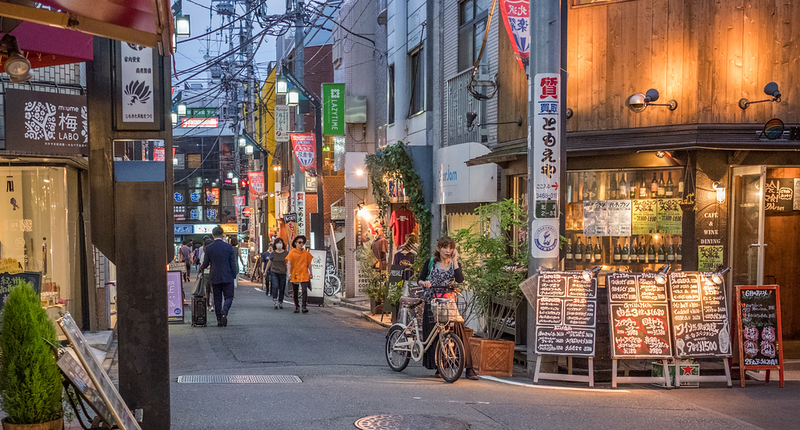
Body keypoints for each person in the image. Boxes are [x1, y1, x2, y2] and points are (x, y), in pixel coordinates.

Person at [418, 236, 479, 380]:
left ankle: (469, 368)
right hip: (432, 301)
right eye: (445, 247)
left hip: (449, 302)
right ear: (439, 249)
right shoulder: (431, 262)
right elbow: (419, 279)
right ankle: (440, 366)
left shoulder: (454, 264)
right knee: (434, 334)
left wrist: (455, 261)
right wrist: (424, 283)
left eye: (451, 248)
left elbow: (459, 279)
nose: (448, 250)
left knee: (458, 332)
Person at [199, 226, 238, 327]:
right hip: (227, 275)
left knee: (217, 298)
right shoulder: (228, 247)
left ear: (213, 235)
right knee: (229, 297)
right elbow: (232, 263)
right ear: (222, 234)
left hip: (215, 275)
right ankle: (224, 310)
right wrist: (234, 274)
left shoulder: (209, 248)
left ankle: (219, 320)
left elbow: (206, 263)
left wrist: (201, 268)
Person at [286, 235, 313, 313]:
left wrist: (311, 273)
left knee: (304, 290)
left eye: (302, 243)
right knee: (295, 291)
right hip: (295, 274)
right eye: (299, 242)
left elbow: (309, 264)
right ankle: (297, 306)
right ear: (295, 243)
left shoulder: (306, 253)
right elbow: (289, 263)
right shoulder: (292, 253)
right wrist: (289, 273)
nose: (301, 244)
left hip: (304, 274)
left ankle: (304, 306)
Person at [266, 239, 288, 309]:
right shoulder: (273, 253)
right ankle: (275, 300)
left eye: (280, 243)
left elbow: (288, 263)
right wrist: (265, 270)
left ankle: (280, 301)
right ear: (275, 245)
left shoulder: (286, 253)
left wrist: (289, 271)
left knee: (282, 287)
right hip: (274, 271)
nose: (279, 244)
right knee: (275, 285)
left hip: (283, 272)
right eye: (278, 243)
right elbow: (269, 262)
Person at [198, 238, 214, 313]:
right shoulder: (214, 253)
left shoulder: (204, 254)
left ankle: (207, 305)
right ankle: (213, 306)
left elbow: (202, 264)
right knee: (213, 290)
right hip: (213, 273)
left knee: (207, 290)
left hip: (206, 273)